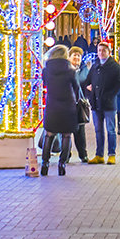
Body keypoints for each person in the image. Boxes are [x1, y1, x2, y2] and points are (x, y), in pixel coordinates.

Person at [40, 45, 81, 176]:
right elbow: (76, 88)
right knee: (66, 135)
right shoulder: (71, 70)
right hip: (68, 106)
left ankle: (45, 163)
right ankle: (62, 164)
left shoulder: (46, 70)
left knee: (49, 134)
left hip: (52, 105)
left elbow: (45, 83)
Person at [83, 40, 120, 164]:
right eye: (99, 50)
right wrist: (90, 94)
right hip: (96, 104)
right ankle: (99, 154)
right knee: (98, 130)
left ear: (109, 52)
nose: (101, 53)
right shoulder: (95, 65)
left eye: (104, 50)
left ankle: (111, 154)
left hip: (109, 104)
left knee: (111, 130)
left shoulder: (114, 66)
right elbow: (87, 81)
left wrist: (109, 96)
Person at [67, 46, 91, 163]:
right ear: (69, 57)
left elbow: (84, 81)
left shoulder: (84, 69)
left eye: (78, 55)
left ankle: (83, 154)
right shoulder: (66, 70)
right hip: (67, 103)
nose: (76, 57)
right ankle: (66, 154)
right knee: (66, 132)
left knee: (80, 131)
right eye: (74, 55)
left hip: (79, 104)